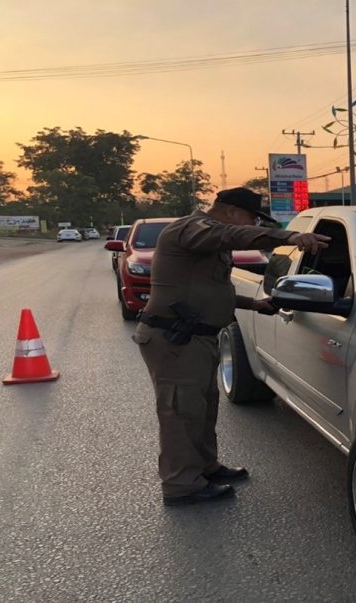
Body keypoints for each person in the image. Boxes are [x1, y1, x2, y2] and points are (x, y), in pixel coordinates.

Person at [133, 187, 329, 506]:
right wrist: (288, 237)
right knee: (181, 412)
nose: (253, 223)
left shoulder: (209, 241)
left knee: (202, 408)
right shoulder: (191, 229)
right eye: (252, 217)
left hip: (195, 338)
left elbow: (208, 290)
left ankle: (205, 468)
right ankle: (181, 484)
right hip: (175, 339)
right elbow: (230, 235)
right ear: (230, 211)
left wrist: (254, 304)